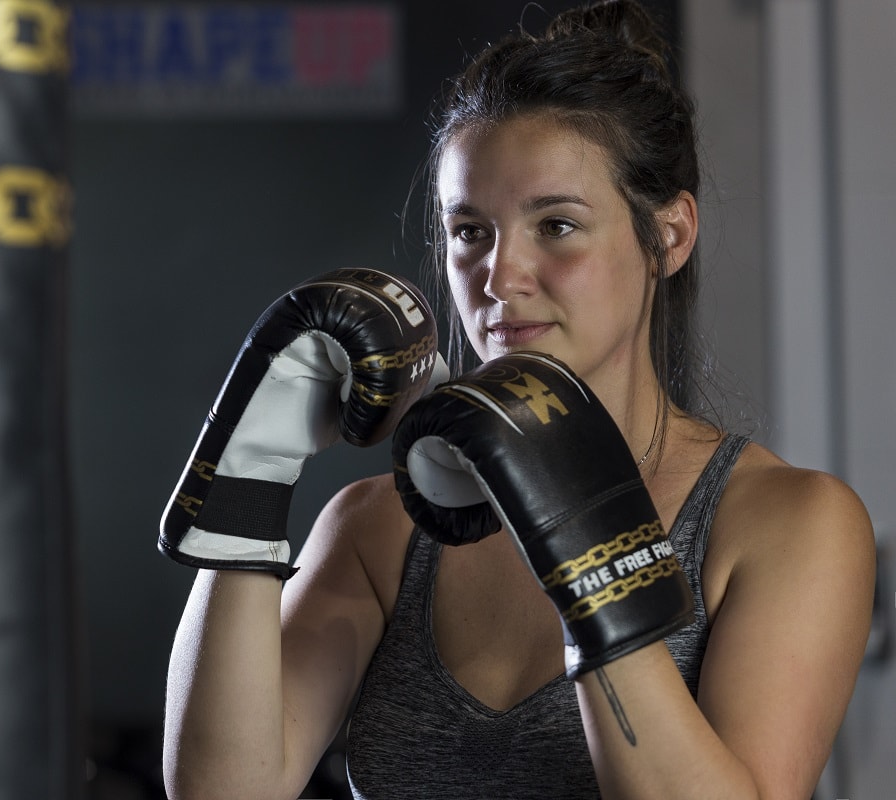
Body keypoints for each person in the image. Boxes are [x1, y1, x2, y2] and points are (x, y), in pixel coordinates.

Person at [159, 1, 876, 798]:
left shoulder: (786, 523)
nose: (500, 278)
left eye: (557, 226)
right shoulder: (381, 529)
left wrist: (593, 551)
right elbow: (223, 790)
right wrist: (248, 482)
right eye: (470, 231)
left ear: (668, 236)